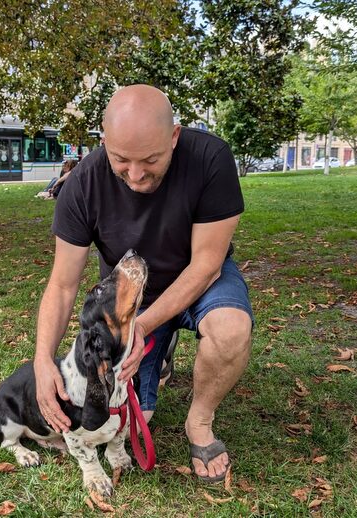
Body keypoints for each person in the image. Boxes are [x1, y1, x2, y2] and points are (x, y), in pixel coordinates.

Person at [33, 84, 252, 483]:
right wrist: (42, 359)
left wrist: (145, 328)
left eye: (151, 159)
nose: (135, 175)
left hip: (200, 282)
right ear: (104, 142)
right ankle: (160, 351)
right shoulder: (81, 185)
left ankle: (199, 423)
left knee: (230, 328)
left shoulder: (211, 158)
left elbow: (206, 265)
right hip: (131, 300)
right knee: (133, 422)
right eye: (120, 160)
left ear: (174, 136)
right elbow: (63, 285)